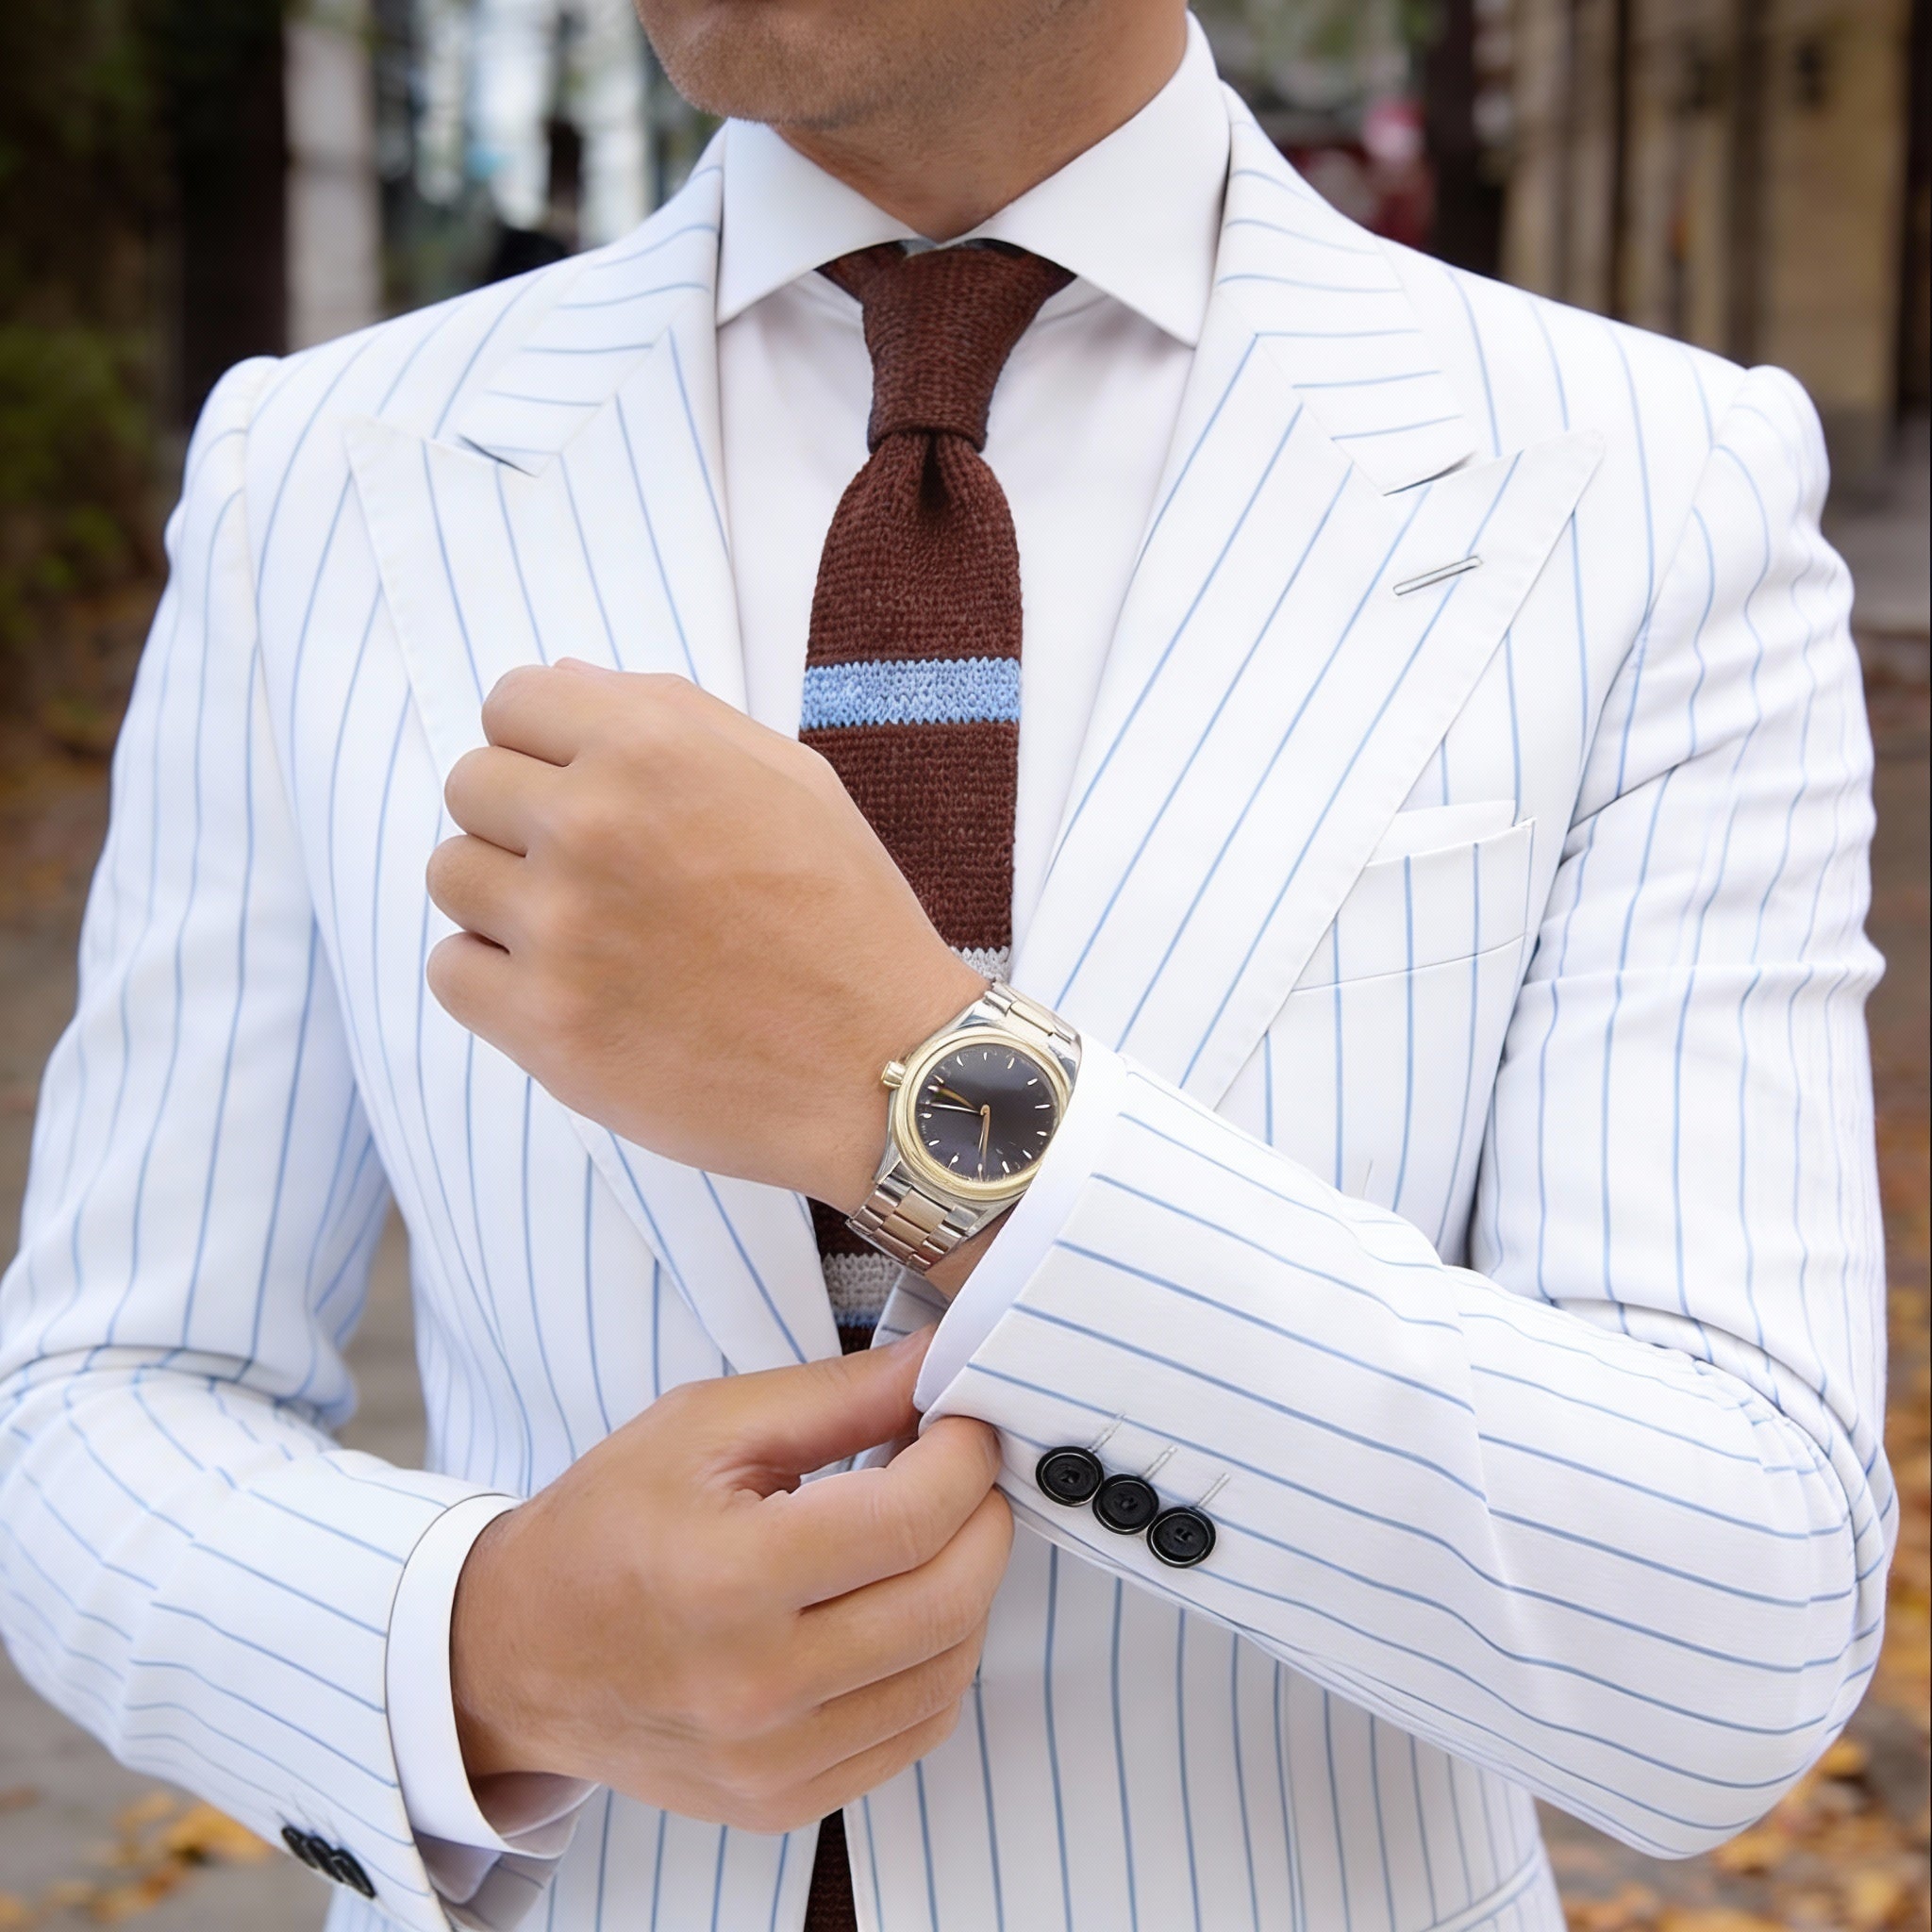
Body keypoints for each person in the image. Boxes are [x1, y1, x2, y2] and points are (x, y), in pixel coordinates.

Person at [0, 1, 1894, 1928]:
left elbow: (1730, 1641)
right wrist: (487, 1653)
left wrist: (919, 1092)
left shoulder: (1643, 489)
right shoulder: (320, 475)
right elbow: (99, 1402)